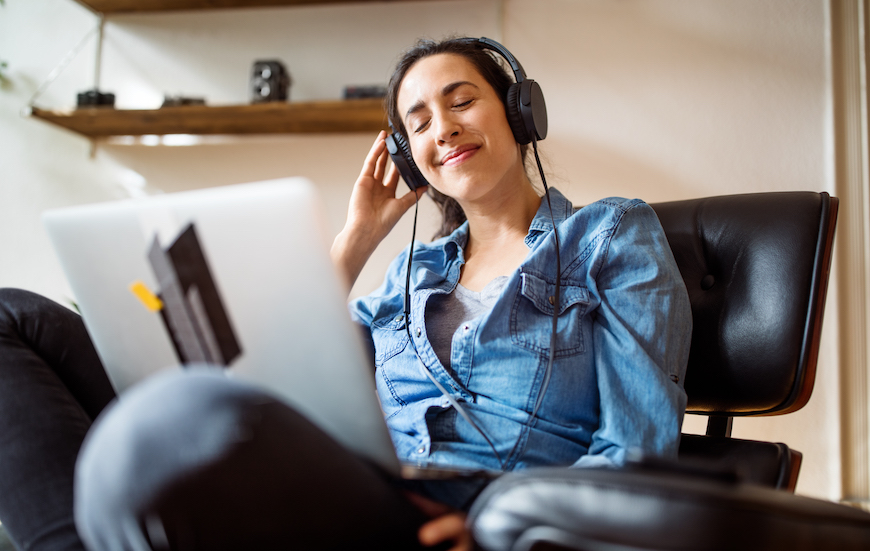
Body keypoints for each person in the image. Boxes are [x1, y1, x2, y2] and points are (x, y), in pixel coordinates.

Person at [0, 36, 691, 551]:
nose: (441, 127)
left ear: (519, 112)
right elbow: (276, 370)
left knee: (168, 424)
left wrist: (509, 530)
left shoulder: (609, 234)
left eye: (462, 101)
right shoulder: (410, 273)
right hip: (353, 480)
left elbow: (636, 446)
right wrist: (358, 236)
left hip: (458, 510)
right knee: (13, 319)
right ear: (406, 156)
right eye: (417, 122)